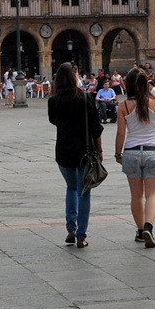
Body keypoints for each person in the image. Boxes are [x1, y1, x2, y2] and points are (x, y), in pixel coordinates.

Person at [47, 64, 101, 247]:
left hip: (63, 150)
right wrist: (99, 151)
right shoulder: (84, 98)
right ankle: (81, 234)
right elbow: (96, 127)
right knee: (84, 192)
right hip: (84, 151)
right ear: (73, 77)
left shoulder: (53, 100)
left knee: (71, 188)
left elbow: (54, 120)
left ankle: (71, 227)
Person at [115, 69, 155, 248]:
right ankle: (148, 227)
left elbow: (121, 133)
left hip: (131, 152)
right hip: (153, 151)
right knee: (152, 194)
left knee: (136, 196)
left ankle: (139, 230)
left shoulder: (124, 106)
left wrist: (118, 153)